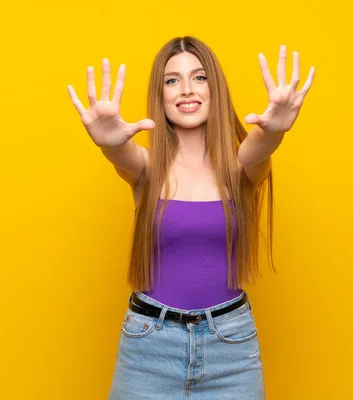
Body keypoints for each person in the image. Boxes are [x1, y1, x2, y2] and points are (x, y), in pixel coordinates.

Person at [67, 36, 314, 400]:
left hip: (231, 348)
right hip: (148, 347)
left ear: (216, 89)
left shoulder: (239, 167)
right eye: (172, 80)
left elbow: (259, 147)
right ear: (160, 94)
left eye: (199, 78)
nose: (186, 89)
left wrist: (274, 128)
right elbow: (122, 155)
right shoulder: (147, 167)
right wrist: (109, 142)